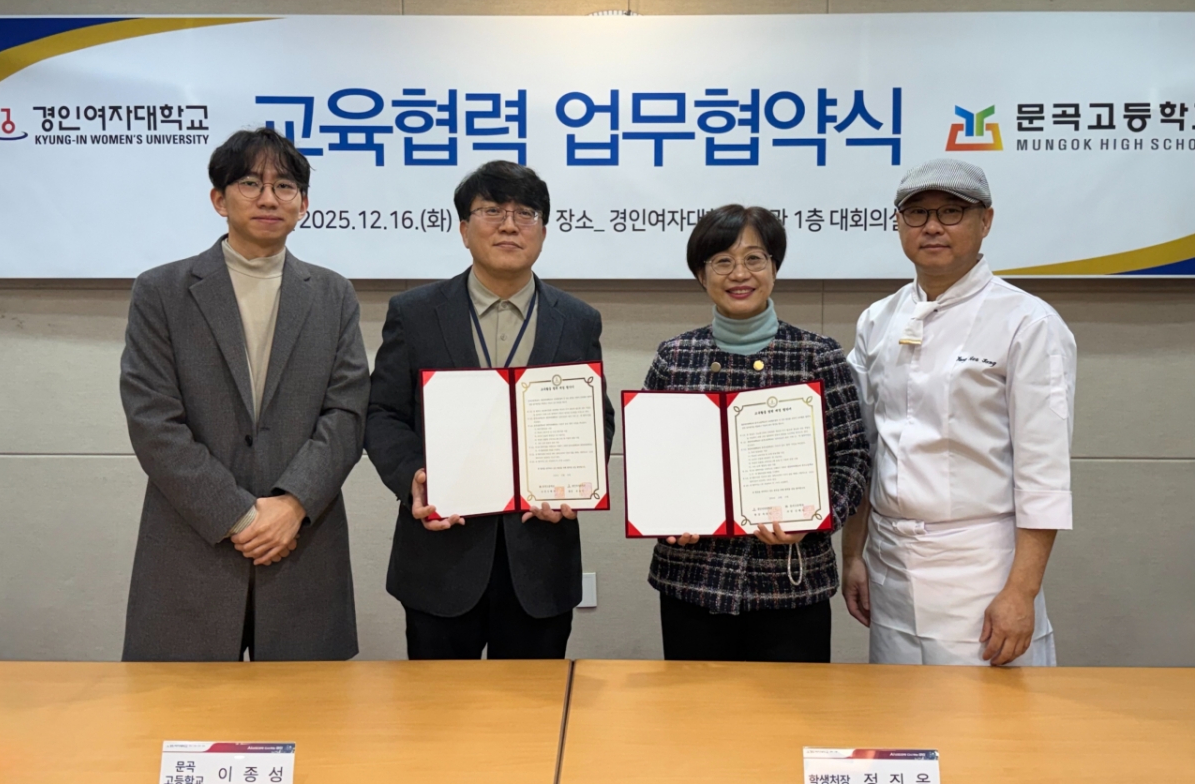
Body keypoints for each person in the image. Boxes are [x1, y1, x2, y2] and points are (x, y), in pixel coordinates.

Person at [119, 128, 370, 662]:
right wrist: (240, 516)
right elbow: (153, 421)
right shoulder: (161, 291)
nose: (268, 198)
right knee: (183, 708)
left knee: (306, 709)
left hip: (301, 545)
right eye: (251, 183)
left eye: (285, 186)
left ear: (303, 204)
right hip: (194, 546)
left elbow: (347, 412)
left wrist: (293, 504)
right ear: (219, 199)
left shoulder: (333, 293)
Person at [365, 160, 615, 660]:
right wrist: (414, 477)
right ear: (463, 229)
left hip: (540, 560)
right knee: (439, 705)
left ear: (544, 231)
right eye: (492, 211)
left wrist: (574, 483)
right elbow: (383, 413)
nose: (509, 225)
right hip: (441, 559)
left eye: (526, 213)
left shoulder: (577, 320)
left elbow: (595, 417)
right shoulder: (415, 313)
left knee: (533, 708)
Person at [842, 158, 1076, 667]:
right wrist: (853, 554)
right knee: (896, 714)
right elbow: (863, 446)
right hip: (889, 566)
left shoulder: (1028, 322)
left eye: (951, 212)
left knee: (988, 716)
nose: (932, 226)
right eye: (917, 213)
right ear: (898, 223)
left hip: (982, 572)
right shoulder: (878, 319)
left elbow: (1044, 471)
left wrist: (1022, 591)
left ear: (985, 220)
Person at [641, 205, 870, 662]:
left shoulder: (816, 355)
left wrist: (816, 517)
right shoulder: (675, 356)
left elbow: (853, 457)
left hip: (790, 581)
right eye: (722, 261)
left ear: (774, 268)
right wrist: (666, 519)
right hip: (693, 580)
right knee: (694, 704)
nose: (739, 273)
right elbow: (652, 461)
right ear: (701, 274)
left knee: (791, 706)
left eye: (754, 259)